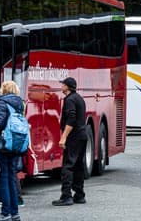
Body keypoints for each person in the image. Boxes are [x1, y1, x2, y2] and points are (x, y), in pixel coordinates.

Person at [52, 77, 87, 207]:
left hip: (73, 137)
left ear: (67, 87)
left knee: (68, 165)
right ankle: (79, 195)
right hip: (82, 135)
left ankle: (66, 196)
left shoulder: (70, 99)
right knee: (78, 165)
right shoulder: (79, 98)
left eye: (63, 84)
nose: (61, 86)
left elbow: (71, 119)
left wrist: (64, 137)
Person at [0, 80, 24, 221]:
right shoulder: (20, 103)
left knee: (4, 177)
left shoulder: (2, 102)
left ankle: (6, 212)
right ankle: (14, 212)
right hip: (15, 144)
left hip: (3, 144)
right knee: (12, 177)